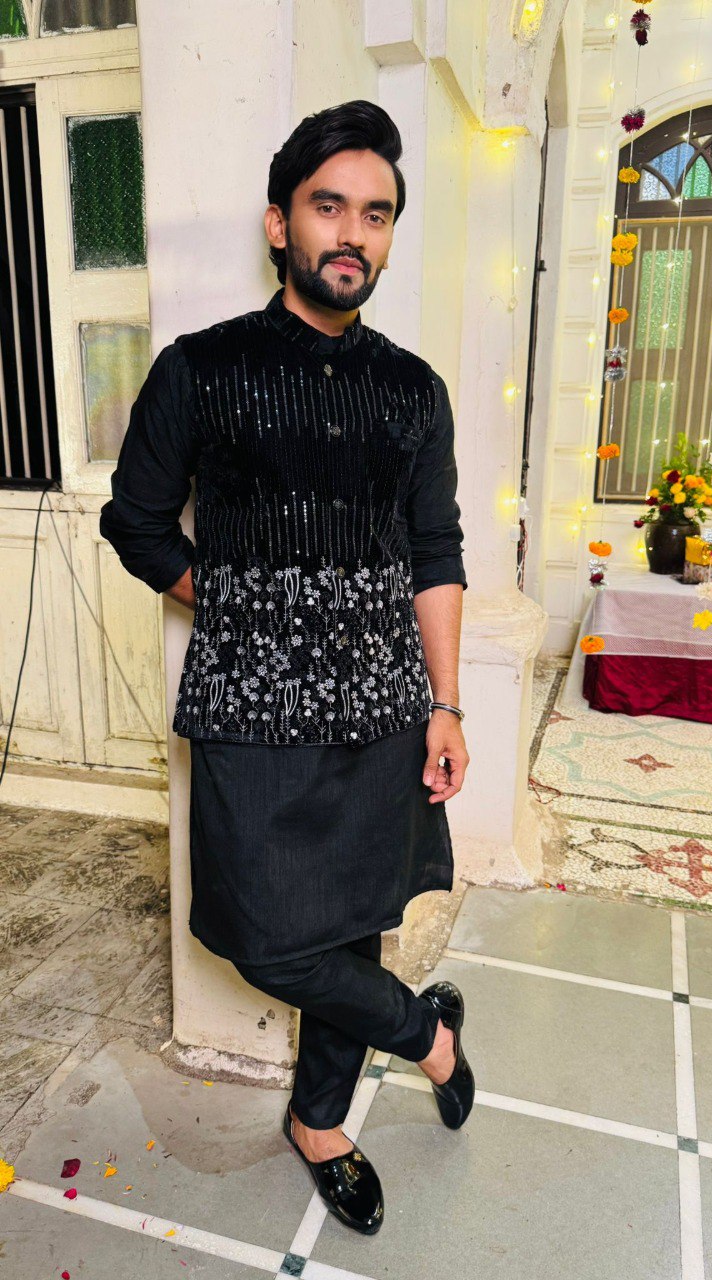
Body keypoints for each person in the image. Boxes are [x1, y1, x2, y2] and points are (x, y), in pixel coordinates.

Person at [99, 98, 474, 1236]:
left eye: (377, 213)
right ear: (279, 223)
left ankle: (320, 1121)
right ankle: (430, 1032)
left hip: (383, 708)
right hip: (249, 711)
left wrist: (447, 702)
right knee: (262, 933)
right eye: (329, 206)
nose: (353, 232)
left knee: (353, 921)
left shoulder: (413, 390)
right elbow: (138, 521)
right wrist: (236, 598)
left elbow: (436, 549)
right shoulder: (201, 371)